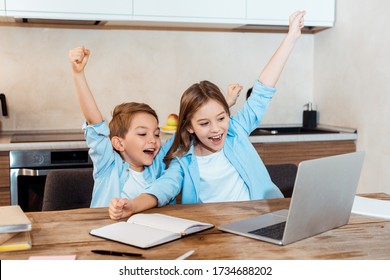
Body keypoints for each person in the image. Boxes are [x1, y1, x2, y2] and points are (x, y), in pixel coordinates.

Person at [108, 11, 306, 220]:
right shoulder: (183, 159)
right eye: (204, 123)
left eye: (221, 118)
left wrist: (291, 37)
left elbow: (263, 90)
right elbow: (163, 188)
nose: (216, 129)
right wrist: (132, 206)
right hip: (215, 230)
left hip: (264, 217)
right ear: (189, 127)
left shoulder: (235, 131)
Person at [69, 46, 243, 207]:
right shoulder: (109, 165)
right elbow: (95, 122)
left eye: (157, 134)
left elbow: (190, 129)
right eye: (142, 134)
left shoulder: (157, 163)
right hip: (108, 233)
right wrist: (78, 74)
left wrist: (225, 105)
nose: (153, 140)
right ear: (119, 143)